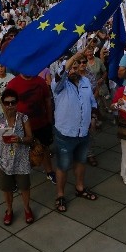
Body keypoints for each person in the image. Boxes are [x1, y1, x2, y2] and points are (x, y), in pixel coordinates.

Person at [51, 51, 99, 213]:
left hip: (83, 133)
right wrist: (75, 57)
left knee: (80, 161)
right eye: (72, 66)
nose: (74, 69)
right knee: (63, 165)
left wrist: (93, 117)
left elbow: (92, 101)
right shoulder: (59, 84)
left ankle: (80, 188)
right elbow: (61, 73)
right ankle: (60, 194)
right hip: (65, 133)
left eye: (77, 66)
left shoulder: (85, 81)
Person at [0, 88, 34, 225]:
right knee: (7, 189)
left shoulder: (23, 118)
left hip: (21, 159)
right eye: (7, 103)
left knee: (24, 187)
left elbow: (30, 138)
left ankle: (26, 209)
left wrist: (19, 139)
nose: (10, 106)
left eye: (13, 102)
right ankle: (9, 210)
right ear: (2, 104)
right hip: (4, 160)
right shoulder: (0, 119)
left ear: (17, 103)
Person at [7, 70, 56, 182]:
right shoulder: (13, 84)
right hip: (22, 126)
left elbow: (47, 100)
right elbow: (8, 106)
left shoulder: (40, 81)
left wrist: (49, 119)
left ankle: (49, 172)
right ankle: (18, 177)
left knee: (44, 148)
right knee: (20, 151)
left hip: (41, 123)